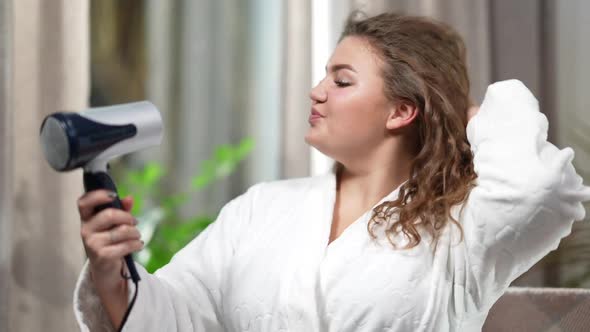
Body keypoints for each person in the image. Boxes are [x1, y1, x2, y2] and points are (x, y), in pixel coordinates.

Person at [73, 12, 590, 332]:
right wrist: (111, 270)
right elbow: (175, 318)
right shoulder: (262, 209)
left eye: (341, 81)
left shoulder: (462, 225)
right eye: (324, 75)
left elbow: (539, 190)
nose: (316, 90)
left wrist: (467, 110)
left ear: (400, 111)